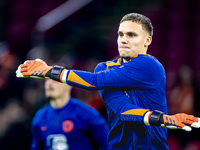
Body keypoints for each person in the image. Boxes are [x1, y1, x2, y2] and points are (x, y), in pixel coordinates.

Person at [16, 13, 200, 150]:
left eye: (132, 35)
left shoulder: (150, 66)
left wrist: (48, 71)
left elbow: (94, 82)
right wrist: (166, 119)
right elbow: (124, 110)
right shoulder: (104, 68)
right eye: (121, 34)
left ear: (147, 40)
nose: (124, 40)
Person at [30, 79, 109, 150]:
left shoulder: (85, 113)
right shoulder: (40, 117)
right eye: (47, 80)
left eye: (55, 80)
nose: (49, 83)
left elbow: (107, 143)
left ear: (68, 85)